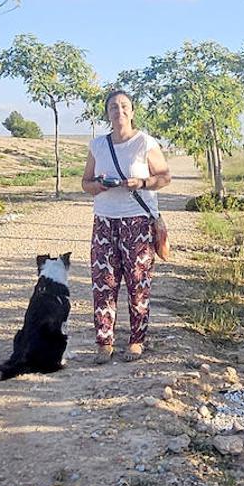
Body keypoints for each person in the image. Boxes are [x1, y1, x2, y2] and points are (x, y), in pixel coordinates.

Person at [81, 90, 172, 363]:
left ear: (132, 112)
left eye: (124, 106)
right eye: (112, 107)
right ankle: (104, 342)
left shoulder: (144, 142)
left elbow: (165, 177)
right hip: (105, 222)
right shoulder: (98, 145)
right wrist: (98, 185)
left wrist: (141, 183)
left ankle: (136, 340)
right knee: (103, 284)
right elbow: (85, 183)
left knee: (137, 283)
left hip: (138, 222)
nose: (118, 111)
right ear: (106, 113)